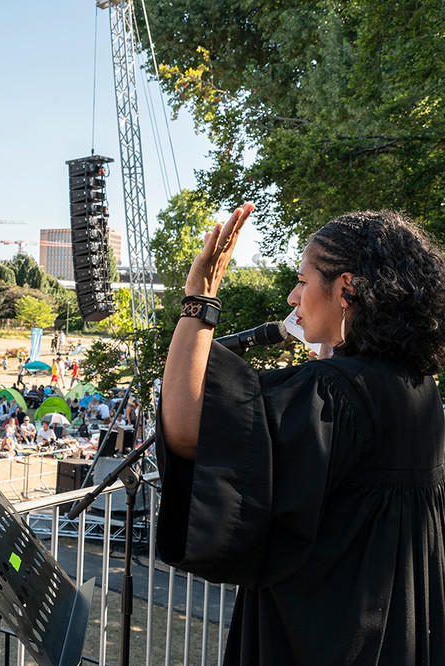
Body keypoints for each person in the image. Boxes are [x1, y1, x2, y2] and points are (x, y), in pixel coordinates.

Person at [158, 206, 445, 663]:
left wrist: (200, 299)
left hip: (327, 641)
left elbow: (187, 429)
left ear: (346, 289)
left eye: (303, 280)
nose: (293, 297)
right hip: (397, 637)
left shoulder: (332, 394)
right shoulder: (419, 390)